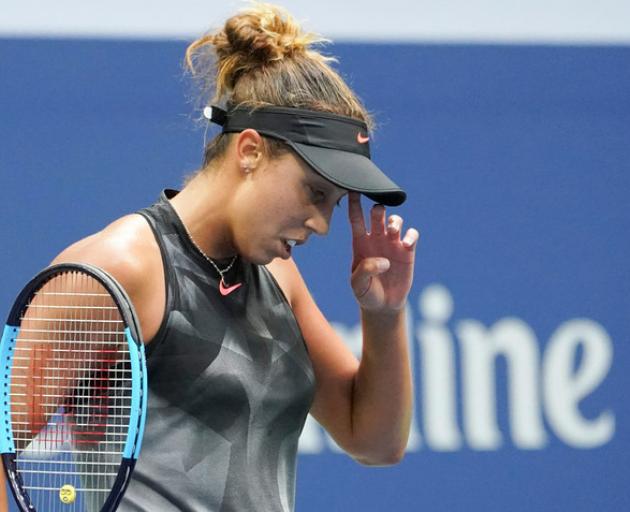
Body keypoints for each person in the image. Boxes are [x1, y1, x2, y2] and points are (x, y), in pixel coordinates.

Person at [2, 2, 419, 511]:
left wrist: (384, 315)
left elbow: (374, 442)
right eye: (313, 192)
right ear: (249, 151)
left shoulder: (279, 278)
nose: (322, 225)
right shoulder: (119, 268)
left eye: (333, 204)